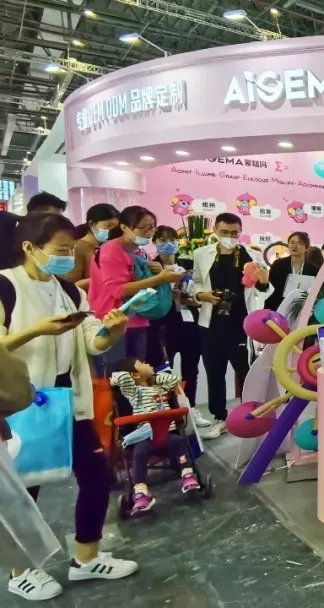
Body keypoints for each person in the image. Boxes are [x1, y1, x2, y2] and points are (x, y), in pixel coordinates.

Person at [0, 212, 137, 601]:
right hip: (21, 400)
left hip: (67, 397)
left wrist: (112, 331)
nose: (68, 256)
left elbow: (93, 340)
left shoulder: (69, 291)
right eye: (60, 249)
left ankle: (86, 557)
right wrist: (37, 330)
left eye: (71, 249)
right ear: (30, 247)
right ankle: (21, 570)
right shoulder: (6, 286)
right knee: (25, 486)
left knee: (96, 474)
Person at [191, 213, 271, 439]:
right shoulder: (201, 254)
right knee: (214, 372)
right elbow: (196, 282)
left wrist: (264, 281)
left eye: (234, 233)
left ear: (240, 231)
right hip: (211, 322)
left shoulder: (252, 255)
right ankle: (220, 418)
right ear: (215, 231)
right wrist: (201, 295)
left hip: (241, 323)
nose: (229, 236)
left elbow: (264, 290)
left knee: (246, 370)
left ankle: (253, 415)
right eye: (224, 232)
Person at [89, 206, 185, 367]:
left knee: (138, 372)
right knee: (117, 375)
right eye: (143, 228)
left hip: (139, 320)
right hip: (112, 320)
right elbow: (118, 290)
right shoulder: (111, 249)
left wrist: (159, 272)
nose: (149, 232)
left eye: (152, 227)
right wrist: (160, 279)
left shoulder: (142, 253)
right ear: (124, 227)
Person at [110, 358, 201, 514]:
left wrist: (153, 377)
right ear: (134, 375)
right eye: (142, 363)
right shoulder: (134, 392)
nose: (148, 364)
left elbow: (174, 379)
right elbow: (122, 378)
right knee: (139, 451)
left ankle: (187, 475)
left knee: (180, 441)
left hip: (166, 434)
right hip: (146, 438)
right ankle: (141, 491)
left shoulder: (160, 388)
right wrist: (115, 378)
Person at [144, 226, 206, 424]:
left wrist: (191, 299)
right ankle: (170, 413)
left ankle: (191, 410)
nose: (168, 244)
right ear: (155, 242)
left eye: (172, 239)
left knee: (191, 370)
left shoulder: (188, 264)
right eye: (162, 240)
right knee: (164, 372)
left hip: (189, 324)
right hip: (162, 325)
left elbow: (198, 293)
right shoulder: (150, 266)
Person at [65, 203, 119, 290]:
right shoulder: (77, 248)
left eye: (114, 227)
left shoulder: (106, 247)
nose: (111, 231)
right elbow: (72, 286)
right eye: (108, 225)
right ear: (92, 224)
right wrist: (104, 278)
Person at [265, 232, 317, 313]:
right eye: (292, 243)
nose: (294, 246)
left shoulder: (313, 269)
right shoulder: (278, 264)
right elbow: (271, 287)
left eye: (299, 243)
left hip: (300, 309)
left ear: (306, 248)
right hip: (277, 307)